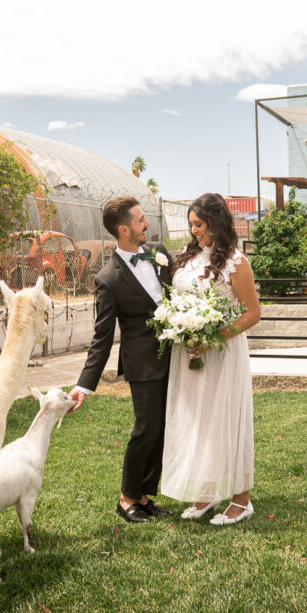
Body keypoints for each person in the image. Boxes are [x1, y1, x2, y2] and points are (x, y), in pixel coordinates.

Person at [69, 196, 174, 524]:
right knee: (146, 429)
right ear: (123, 229)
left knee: (162, 430)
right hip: (143, 364)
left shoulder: (160, 254)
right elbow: (102, 338)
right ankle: (127, 497)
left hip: (174, 355)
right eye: (141, 220)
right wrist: (84, 386)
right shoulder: (107, 279)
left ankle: (144, 497)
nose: (147, 225)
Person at [160, 192, 261, 526]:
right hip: (189, 355)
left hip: (222, 353)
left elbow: (253, 312)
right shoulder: (189, 259)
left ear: (216, 223)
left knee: (226, 418)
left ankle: (241, 499)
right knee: (198, 421)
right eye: (191, 225)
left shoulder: (235, 261)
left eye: (199, 224)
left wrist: (213, 338)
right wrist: (182, 326)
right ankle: (207, 492)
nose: (194, 231)